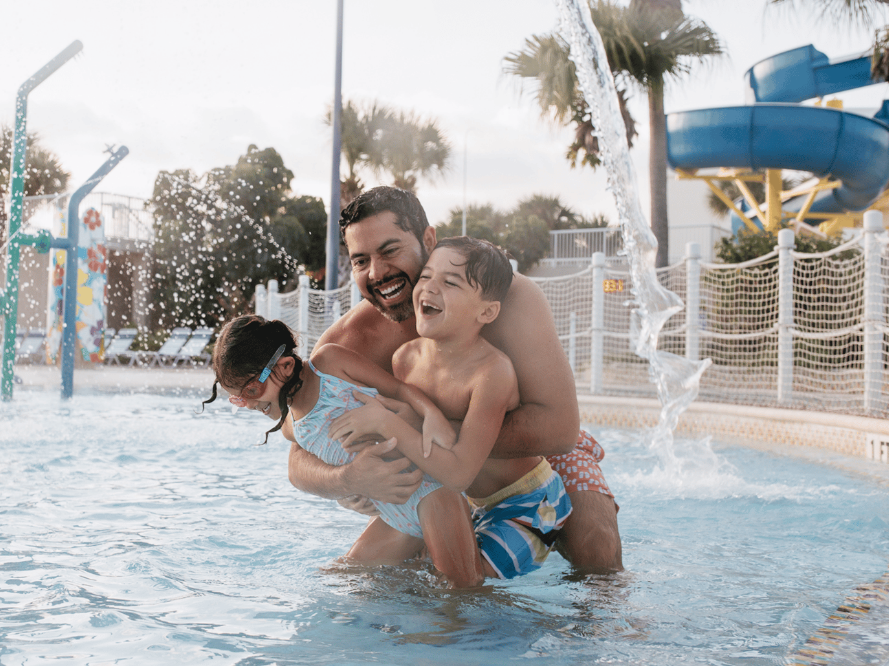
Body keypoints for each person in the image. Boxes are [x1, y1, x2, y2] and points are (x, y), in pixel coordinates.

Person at [289, 186, 624, 573]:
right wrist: (347, 478)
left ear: (428, 239)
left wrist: (422, 430)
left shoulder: (505, 299)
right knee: (371, 577)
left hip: (532, 462)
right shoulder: (351, 345)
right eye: (361, 260)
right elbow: (298, 448)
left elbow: (561, 428)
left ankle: (608, 625)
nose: (377, 273)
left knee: (596, 550)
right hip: (436, 473)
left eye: (390, 250)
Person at [328, 236, 573, 578]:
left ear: (486, 311)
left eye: (450, 282)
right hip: (464, 502)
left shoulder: (492, 372)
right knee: (351, 571)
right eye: (426, 276)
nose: (429, 288)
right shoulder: (405, 359)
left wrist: (387, 423)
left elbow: (460, 471)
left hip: (528, 503)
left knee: (464, 585)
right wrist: (363, 483)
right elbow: (413, 441)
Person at [204, 315, 488, 587]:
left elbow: (399, 390)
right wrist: (348, 488)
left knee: (462, 594)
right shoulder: (292, 427)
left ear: (286, 366)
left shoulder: (330, 364)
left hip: (430, 492)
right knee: (340, 578)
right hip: (394, 515)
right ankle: (420, 556)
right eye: (238, 399)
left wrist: (431, 414)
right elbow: (321, 470)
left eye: (252, 391)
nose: (250, 404)